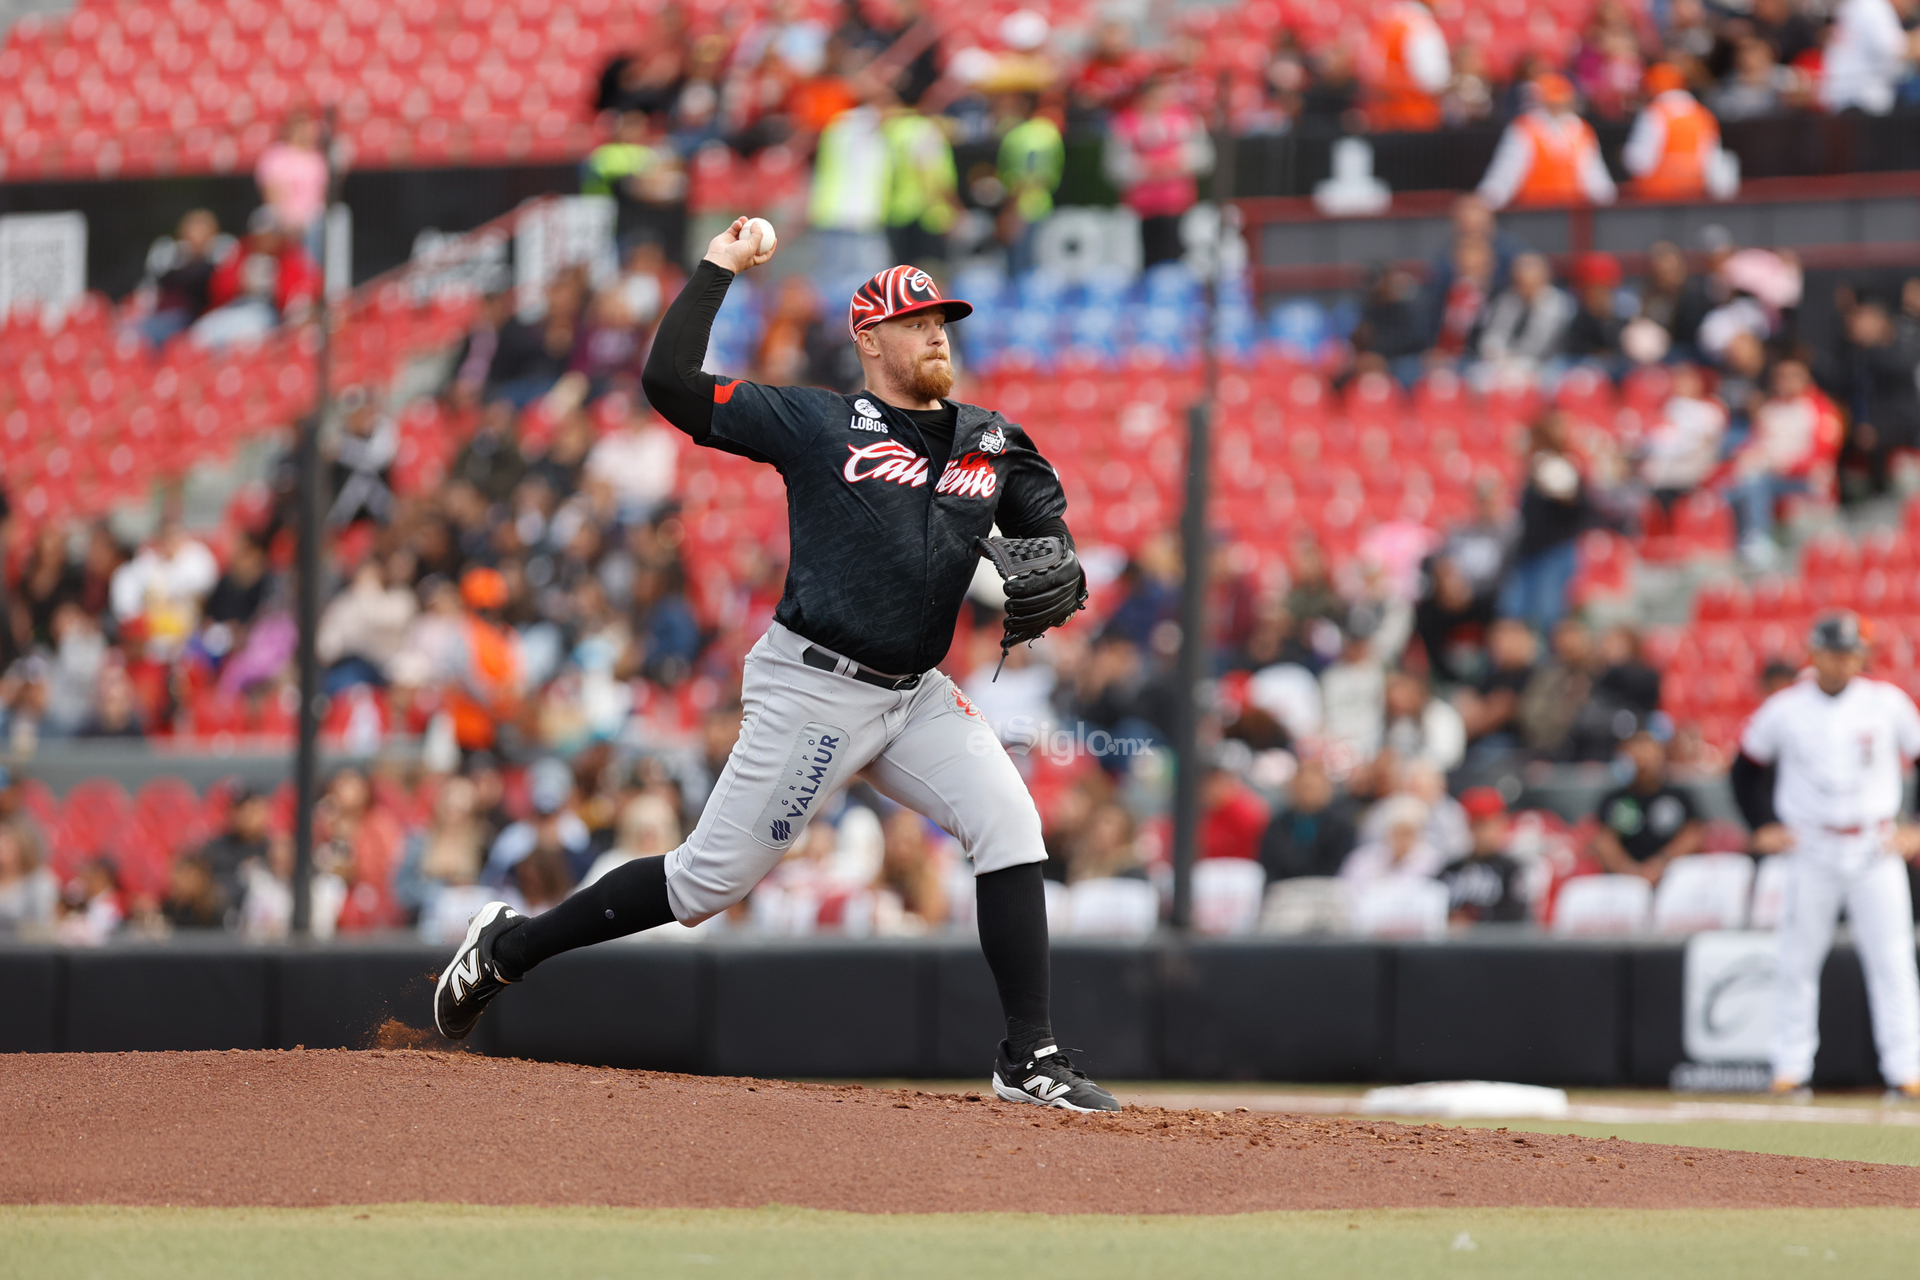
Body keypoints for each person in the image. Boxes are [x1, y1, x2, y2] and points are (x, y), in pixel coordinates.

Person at [434, 219, 1120, 1112]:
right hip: (815, 687)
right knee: (701, 884)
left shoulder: (988, 439)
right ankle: (507, 948)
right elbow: (669, 383)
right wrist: (717, 269)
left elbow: (1042, 519)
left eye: (942, 322)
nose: (936, 335)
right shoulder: (818, 422)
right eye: (915, 323)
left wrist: (1057, 554)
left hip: (914, 696)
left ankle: (1028, 1055)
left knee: (1010, 824)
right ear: (869, 339)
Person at [1731, 612, 1920, 1101]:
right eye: (1834, 652)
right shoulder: (1786, 708)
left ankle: (1906, 1071)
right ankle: (1790, 1069)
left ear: (1862, 656)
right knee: (1797, 961)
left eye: (1850, 652)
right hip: (1811, 846)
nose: (1842, 661)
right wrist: (1761, 825)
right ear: (1814, 653)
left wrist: (1916, 827)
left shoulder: (1886, 702)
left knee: (1893, 959)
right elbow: (1744, 768)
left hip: (1874, 845)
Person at [1104, 75, 1214, 269]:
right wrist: (1146, 167)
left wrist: (1174, 163)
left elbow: (1203, 157)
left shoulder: (1185, 119)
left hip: (1179, 203)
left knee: (1179, 256)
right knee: (1144, 259)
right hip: (1140, 208)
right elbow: (1114, 165)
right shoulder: (1126, 122)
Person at [1475, 74, 1616, 210]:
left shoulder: (1580, 130)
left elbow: (1594, 175)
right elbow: (1506, 172)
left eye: (1562, 103)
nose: (1559, 108)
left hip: (1573, 213)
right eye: (1554, 103)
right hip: (1533, 212)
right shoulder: (1524, 129)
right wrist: (1486, 201)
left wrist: (1607, 203)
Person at [1593, 727, 1701, 882]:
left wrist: (1661, 864)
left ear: (1662, 756)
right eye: (1636, 754)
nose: (1643, 762)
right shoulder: (1614, 800)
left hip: (1673, 876)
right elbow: (1604, 841)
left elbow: (1693, 834)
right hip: (1624, 880)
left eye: (1649, 754)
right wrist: (1629, 870)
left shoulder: (1678, 796)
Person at [1621, 63, 1725, 201]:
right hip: (1693, 195)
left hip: (1654, 196)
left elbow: (1640, 161)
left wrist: (1624, 154)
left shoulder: (1654, 112)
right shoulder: (1702, 115)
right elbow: (1713, 161)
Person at [1259, 757, 1359, 881]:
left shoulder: (1341, 827)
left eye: (1313, 788)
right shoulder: (1277, 825)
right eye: (1303, 787)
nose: (1307, 794)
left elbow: (1342, 866)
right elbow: (1269, 864)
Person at [1438, 787, 1529, 923]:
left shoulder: (1510, 870)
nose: (1487, 832)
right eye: (1479, 825)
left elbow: (1515, 919)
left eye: (1493, 824)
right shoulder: (1452, 870)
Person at [1360, 0, 1450, 130]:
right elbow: (1433, 79)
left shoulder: (1390, 21)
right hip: (1416, 114)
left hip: (1386, 114)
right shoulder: (1422, 26)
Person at [254, 112, 329, 259]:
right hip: (281, 218)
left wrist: (304, 221)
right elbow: (273, 193)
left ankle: (310, 269)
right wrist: (288, 219)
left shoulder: (317, 159)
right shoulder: (276, 155)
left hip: (310, 220)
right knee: (264, 221)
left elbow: (320, 196)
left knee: (324, 224)